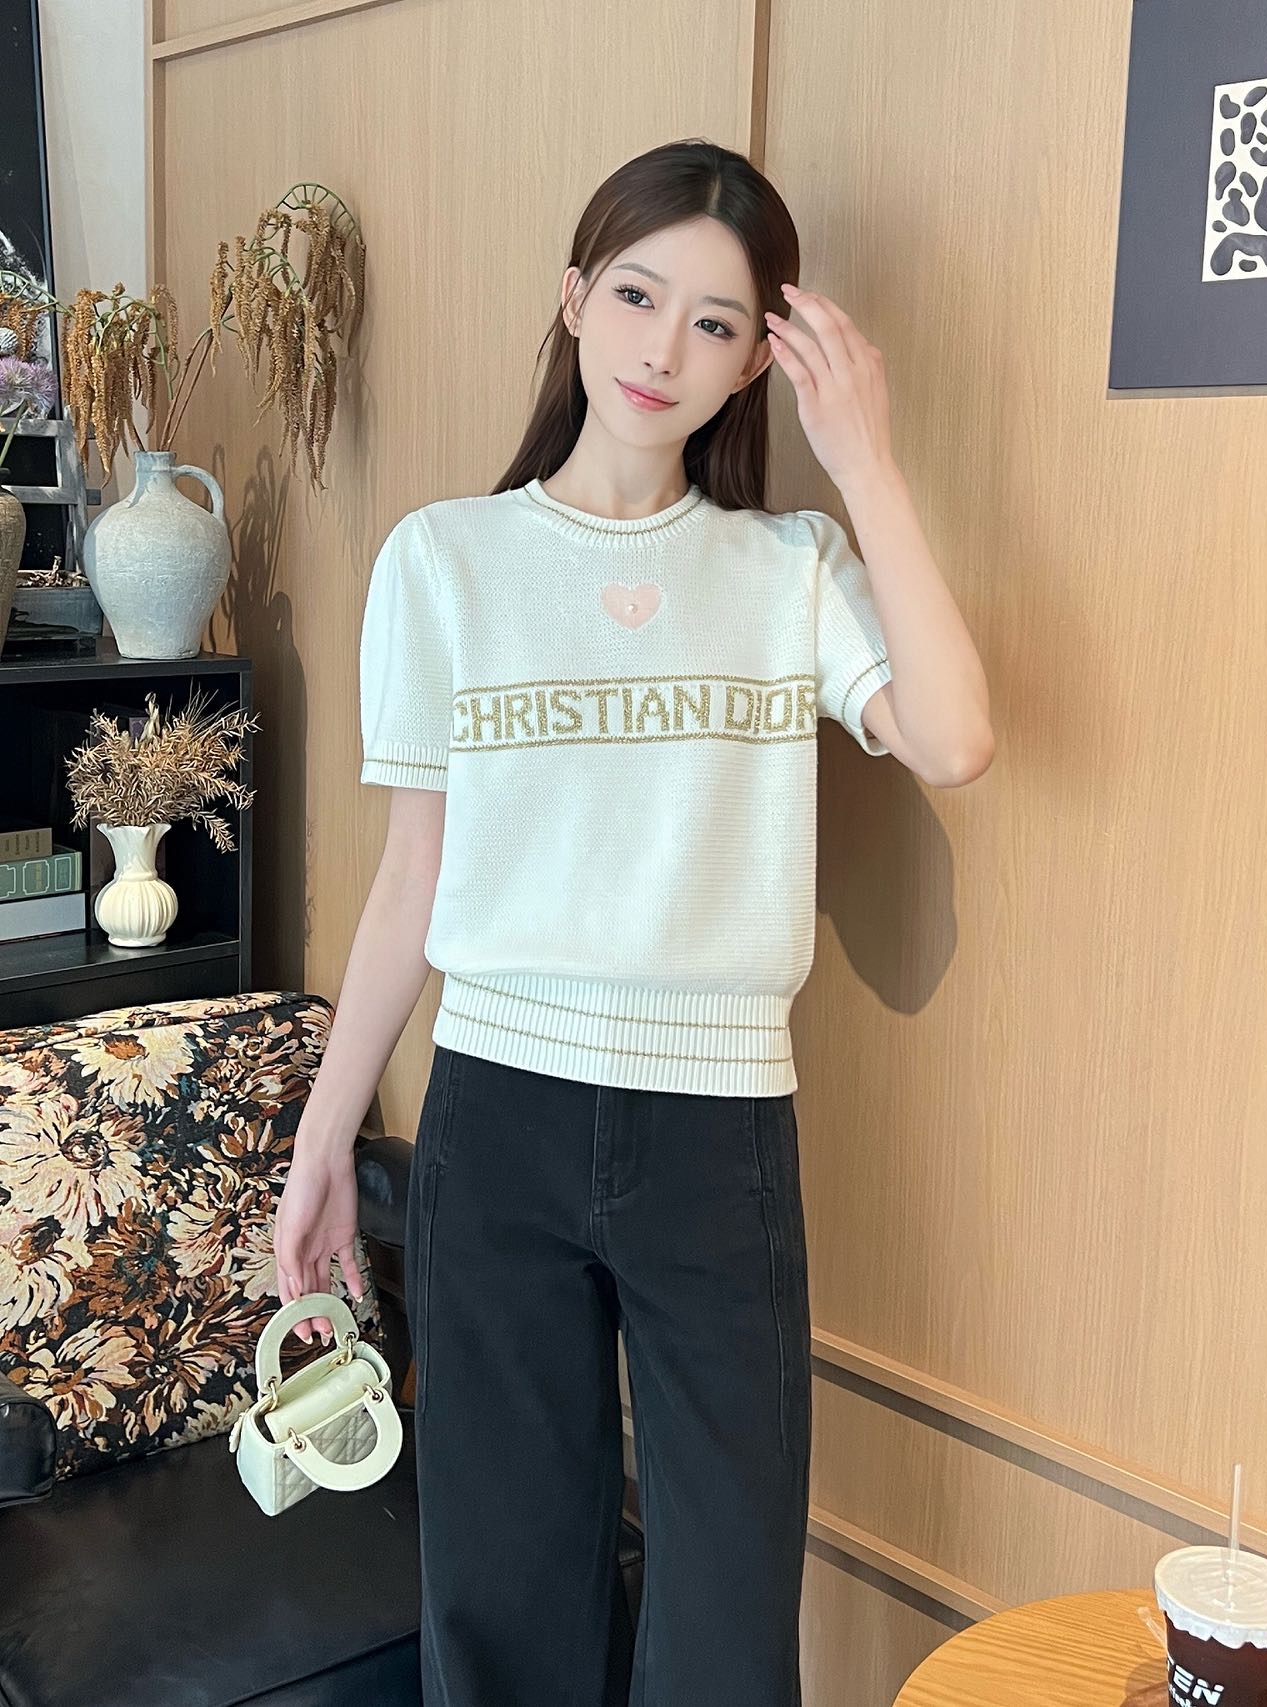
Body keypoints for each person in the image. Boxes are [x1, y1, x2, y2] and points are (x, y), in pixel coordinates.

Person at [273, 136, 993, 1707]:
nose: (666, 347)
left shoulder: (791, 566)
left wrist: (866, 464)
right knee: (503, 1601)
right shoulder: (446, 562)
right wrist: (326, 1141)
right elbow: (412, 881)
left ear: (755, 365)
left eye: (717, 322)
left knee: (725, 1622)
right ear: (574, 301)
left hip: (718, 1139)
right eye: (638, 295)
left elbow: (953, 739)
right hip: (497, 1124)